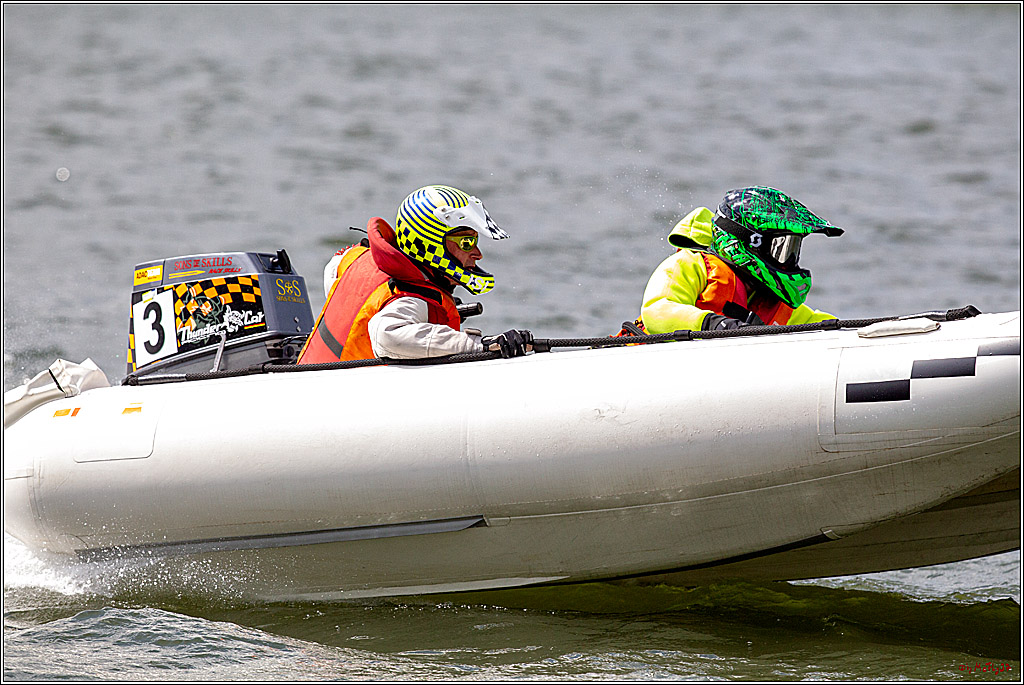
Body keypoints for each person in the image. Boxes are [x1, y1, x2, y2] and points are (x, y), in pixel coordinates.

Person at [297, 185, 532, 364]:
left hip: (308, 379)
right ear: (431, 241)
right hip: (336, 404)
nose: (477, 254)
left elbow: (333, 268)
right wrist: (477, 345)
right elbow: (386, 335)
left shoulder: (357, 257)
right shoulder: (409, 298)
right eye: (467, 242)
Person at [631, 186, 843, 335]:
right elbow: (656, 310)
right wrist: (715, 325)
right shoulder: (690, 265)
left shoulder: (771, 302)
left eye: (793, 250)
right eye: (782, 248)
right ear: (752, 242)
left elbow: (820, 324)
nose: (789, 260)